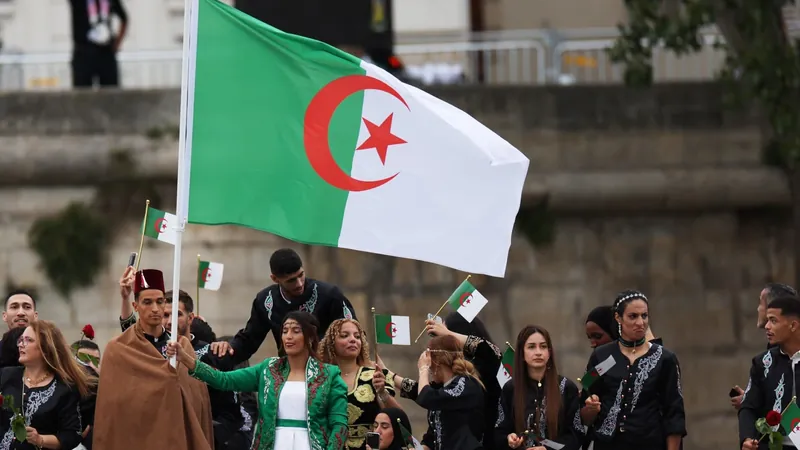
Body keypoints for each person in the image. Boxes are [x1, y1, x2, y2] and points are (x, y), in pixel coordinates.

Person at [167, 311, 349, 450]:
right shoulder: (269, 369)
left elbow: (339, 425)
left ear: (310, 337)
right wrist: (187, 359)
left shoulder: (329, 375)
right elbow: (223, 380)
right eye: (285, 331)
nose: (288, 336)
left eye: (296, 331)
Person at [92, 269, 214, 450]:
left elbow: (197, 402)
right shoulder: (118, 350)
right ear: (136, 306)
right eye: (147, 302)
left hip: (175, 437)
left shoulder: (182, 347)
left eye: (160, 302)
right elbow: (112, 411)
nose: (155, 309)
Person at [210, 248, 357, 365]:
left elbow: (354, 332)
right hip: (290, 374)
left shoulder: (329, 294)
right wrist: (226, 348)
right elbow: (249, 340)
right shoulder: (266, 302)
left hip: (329, 372)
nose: (299, 283)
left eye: (301, 275)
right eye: (291, 280)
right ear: (275, 279)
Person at [578, 290, 685, 450]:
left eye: (644, 316)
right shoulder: (602, 357)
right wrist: (590, 408)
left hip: (650, 442)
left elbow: (674, 413)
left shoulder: (664, 358)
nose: (640, 322)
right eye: (633, 316)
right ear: (618, 318)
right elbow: (585, 405)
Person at [390, 312, 501, 450]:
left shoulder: (469, 381)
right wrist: (390, 377)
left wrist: (424, 368)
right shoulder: (446, 386)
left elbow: (427, 396)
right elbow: (429, 398)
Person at [0, 320, 95, 450]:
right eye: (20, 340)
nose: (21, 344)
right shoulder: (6, 375)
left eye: (28, 340)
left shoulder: (64, 388)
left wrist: (40, 439)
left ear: (45, 348)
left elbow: (71, 435)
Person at [318, 319, 401, 449]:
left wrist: (382, 392)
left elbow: (398, 418)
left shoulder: (376, 375)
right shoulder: (321, 378)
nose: (353, 340)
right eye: (345, 336)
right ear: (331, 343)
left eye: (357, 336)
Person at [497, 325, 580, 450]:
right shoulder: (511, 388)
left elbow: (576, 434)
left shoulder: (566, 387)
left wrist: (548, 449)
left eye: (543, 346)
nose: (538, 352)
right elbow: (499, 431)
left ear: (549, 352)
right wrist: (509, 439)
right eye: (531, 347)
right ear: (521, 354)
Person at [739, 296, 800, 450]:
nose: (766, 326)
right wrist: (747, 438)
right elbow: (748, 406)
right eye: (767, 320)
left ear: (793, 325)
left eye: (773, 321)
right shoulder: (763, 363)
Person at [415, 334, 485, 450]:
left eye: (430, 364)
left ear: (437, 361)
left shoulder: (467, 384)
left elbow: (425, 396)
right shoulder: (442, 390)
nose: (430, 370)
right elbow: (434, 434)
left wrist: (423, 370)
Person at [67, 0, 128, 88]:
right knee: (82, 95)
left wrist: (117, 43)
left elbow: (124, 18)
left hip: (105, 53)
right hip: (83, 52)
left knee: (111, 93)